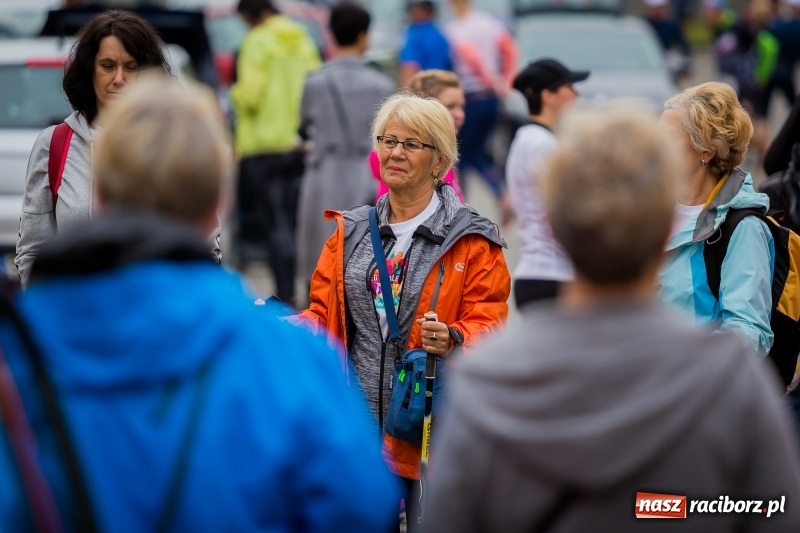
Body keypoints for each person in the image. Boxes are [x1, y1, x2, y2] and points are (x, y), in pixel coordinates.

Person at [0, 74, 400, 532]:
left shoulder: (16, 356)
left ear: (101, 196)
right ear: (219, 204)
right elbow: (363, 506)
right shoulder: (289, 358)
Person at [422, 104, 800, 533]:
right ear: (666, 231)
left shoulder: (488, 382)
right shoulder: (729, 381)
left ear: (554, 230)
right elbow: (774, 513)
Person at [298, 92, 510, 530]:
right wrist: (282, 329)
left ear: (439, 161)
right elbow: (323, 314)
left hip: (426, 431)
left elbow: (491, 323)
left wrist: (454, 337)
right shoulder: (351, 231)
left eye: (411, 144)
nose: (395, 153)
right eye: (388, 141)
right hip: (354, 428)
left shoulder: (471, 240)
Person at [13, 10, 221, 288]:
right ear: (89, 70)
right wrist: (51, 310)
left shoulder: (174, 142)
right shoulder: (55, 144)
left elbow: (205, 249)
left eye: (131, 66)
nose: (119, 78)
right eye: (108, 65)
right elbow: (33, 250)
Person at [659, 82, 774, 358]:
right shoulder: (652, 210)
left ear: (706, 151)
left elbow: (748, 332)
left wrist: (681, 366)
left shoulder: (742, 227)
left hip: (693, 381)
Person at [296, 1, 395, 296]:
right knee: (363, 261)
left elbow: (303, 123)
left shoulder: (315, 82)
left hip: (324, 174)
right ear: (364, 36)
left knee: (321, 261)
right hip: (367, 175)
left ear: (332, 34)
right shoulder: (382, 84)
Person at [230, 0, 321, 305]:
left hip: (263, 145)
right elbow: (314, 88)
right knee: (293, 222)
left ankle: (284, 296)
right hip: (297, 145)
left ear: (250, 15)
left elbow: (250, 96)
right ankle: (305, 291)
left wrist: (234, 92)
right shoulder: (302, 39)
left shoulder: (256, 41)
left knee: (274, 224)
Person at [506, 58, 588, 308]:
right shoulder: (543, 145)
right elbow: (566, 214)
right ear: (548, 96)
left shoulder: (527, 139)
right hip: (553, 277)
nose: (576, 94)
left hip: (538, 273)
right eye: (569, 87)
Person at [445, 0, 518, 224]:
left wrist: (487, 79)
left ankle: (458, 207)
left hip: (471, 95)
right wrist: (505, 81)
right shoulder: (490, 23)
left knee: (461, 153)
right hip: (491, 98)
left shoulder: (455, 28)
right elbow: (510, 50)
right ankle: (498, 195)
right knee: (476, 152)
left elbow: (470, 56)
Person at [370, 69, 465, 203]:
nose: (460, 115)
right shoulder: (405, 167)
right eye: (449, 107)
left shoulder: (437, 156)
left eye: (461, 107)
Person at [399, 1, 453, 88]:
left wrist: (405, 93)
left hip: (423, 89)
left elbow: (410, 67)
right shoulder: (440, 34)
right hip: (442, 87)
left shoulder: (415, 34)